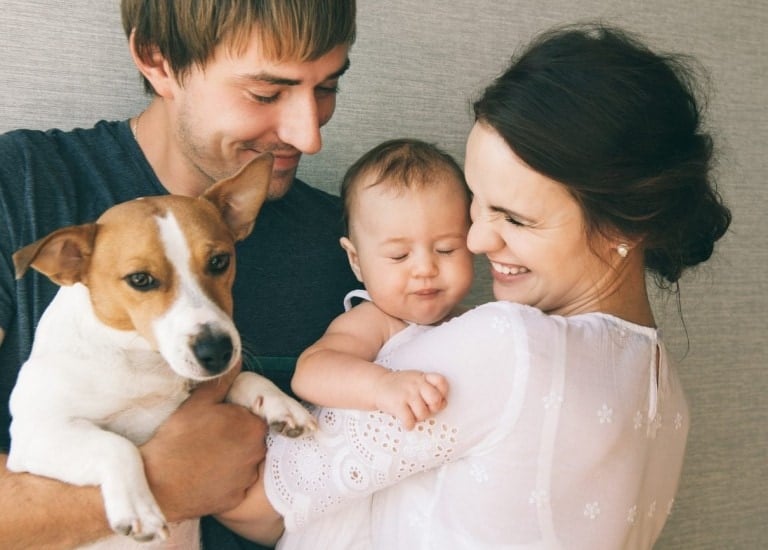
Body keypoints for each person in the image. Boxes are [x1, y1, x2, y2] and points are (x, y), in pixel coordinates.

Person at [217, 23, 732, 549]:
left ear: (626, 225)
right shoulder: (666, 393)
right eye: (476, 207)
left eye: (516, 219)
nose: (479, 240)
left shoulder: (508, 346)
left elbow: (262, 509)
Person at [0, 1, 358, 549]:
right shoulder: (19, 190)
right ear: (157, 59)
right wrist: (167, 485)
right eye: (265, 93)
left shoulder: (356, 244)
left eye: (327, 88)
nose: (308, 136)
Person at [293, 138, 475, 431]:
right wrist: (382, 385)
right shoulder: (375, 321)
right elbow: (309, 372)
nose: (425, 269)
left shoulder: (475, 321)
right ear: (356, 261)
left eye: (446, 249)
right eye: (399, 255)